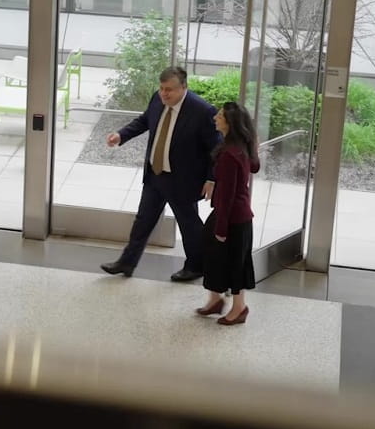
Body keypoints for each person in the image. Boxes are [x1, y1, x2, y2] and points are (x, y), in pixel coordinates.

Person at [100, 66, 220, 281]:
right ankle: (127, 263)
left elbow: (216, 148)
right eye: (162, 88)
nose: (164, 94)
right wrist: (121, 135)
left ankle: (196, 266)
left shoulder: (202, 111)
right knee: (143, 221)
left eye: (170, 90)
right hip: (156, 175)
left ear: (184, 87)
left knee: (189, 224)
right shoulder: (158, 99)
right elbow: (145, 121)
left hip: (183, 180)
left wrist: (212, 178)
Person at [195, 102, 260, 325]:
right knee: (214, 253)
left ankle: (239, 308)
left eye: (220, 116)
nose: (215, 118)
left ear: (229, 123)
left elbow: (227, 196)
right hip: (235, 215)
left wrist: (221, 228)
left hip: (233, 218)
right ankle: (215, 299)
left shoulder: (230, 155)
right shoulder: (238, 147)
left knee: (235, 263)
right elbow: (255, 166)